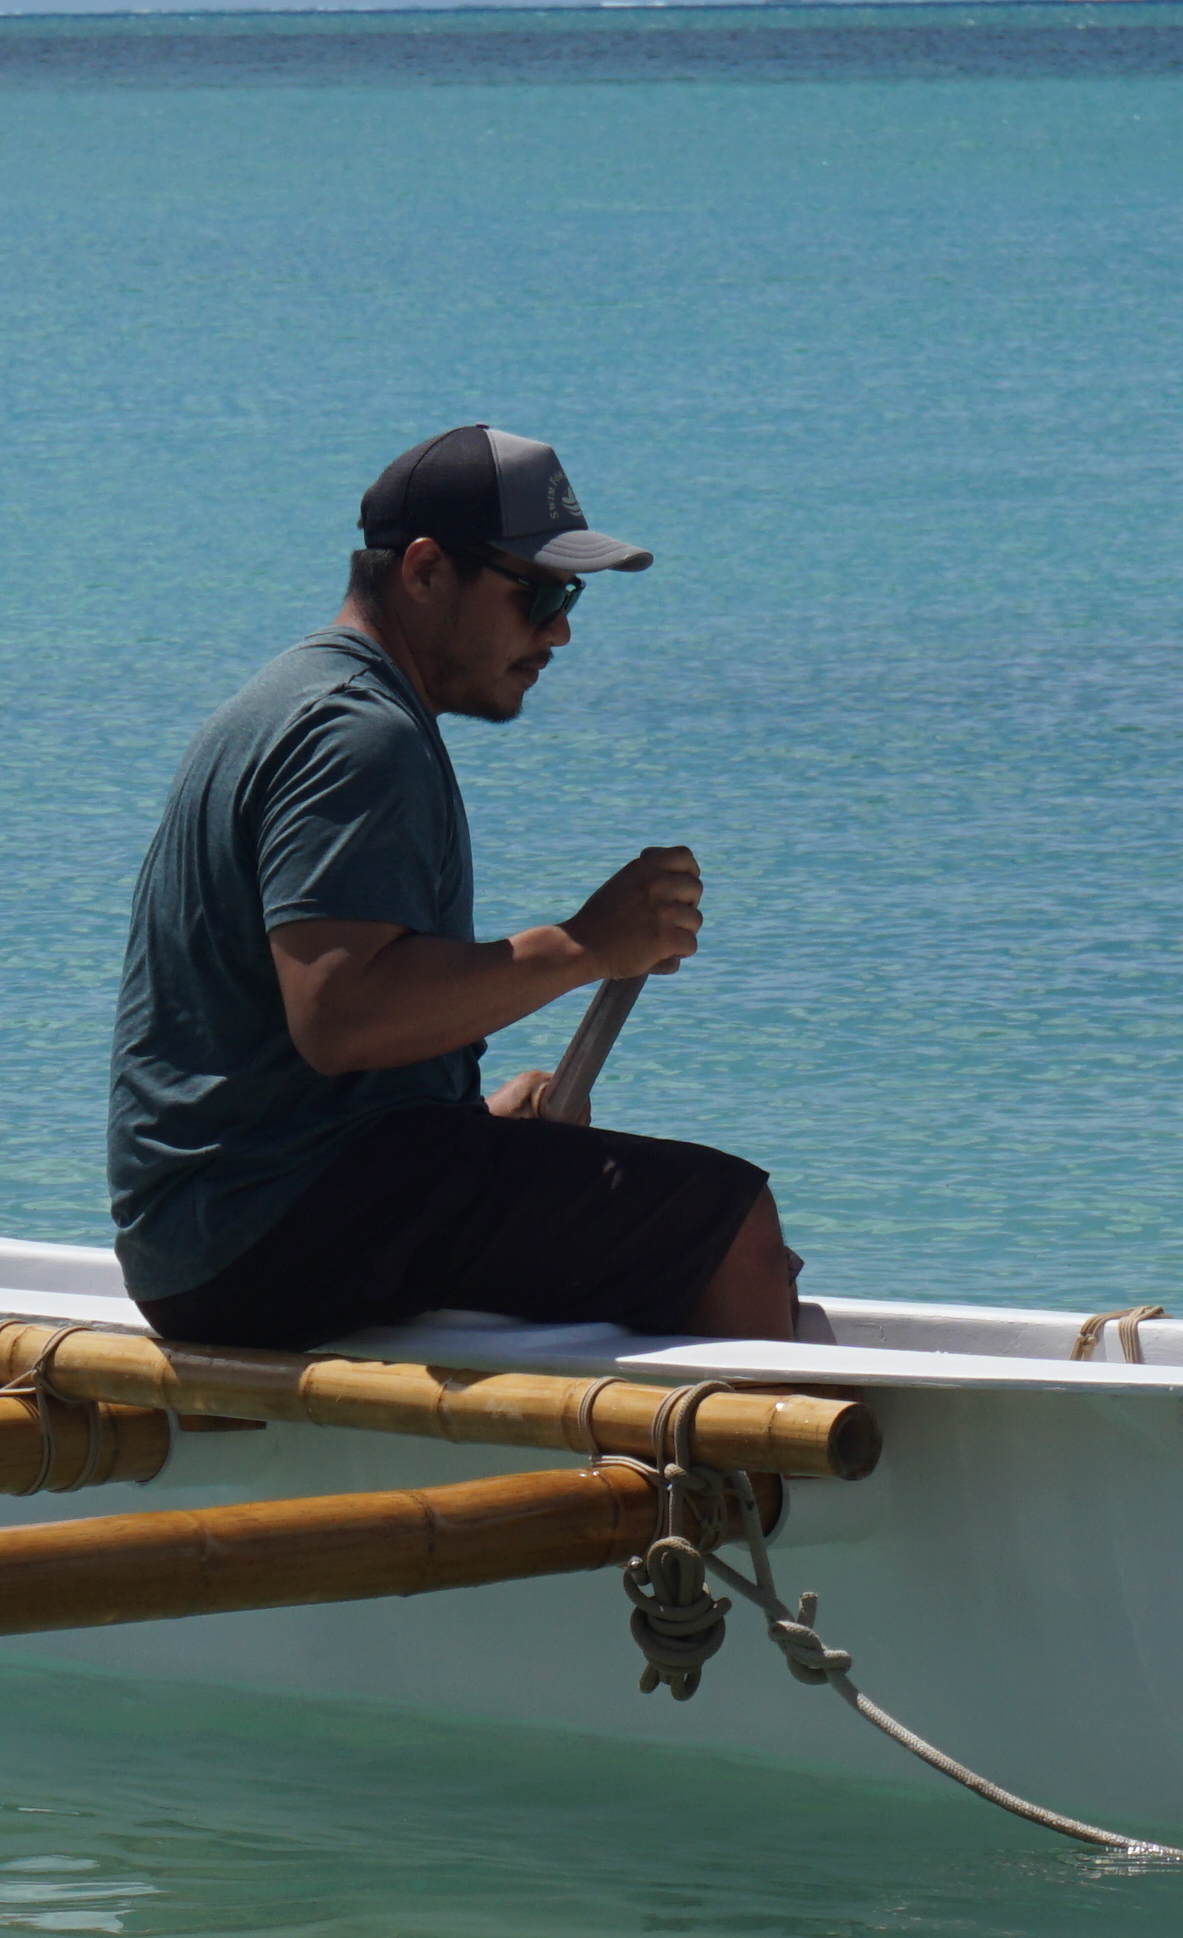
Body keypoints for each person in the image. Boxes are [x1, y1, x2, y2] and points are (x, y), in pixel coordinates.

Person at [106, 424, 808, 1349]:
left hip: (221, 1224)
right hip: (259, 1234)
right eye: (538, 593)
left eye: (573, 597)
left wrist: (466, 1127)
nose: (558, 629)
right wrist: (586, 945)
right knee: (730, 1229)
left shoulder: (308, 700)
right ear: (428, 571)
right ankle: (778, 1484)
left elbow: (307, 1048)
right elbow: (341, 1017)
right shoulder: (359, 738)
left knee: (626, 1204)